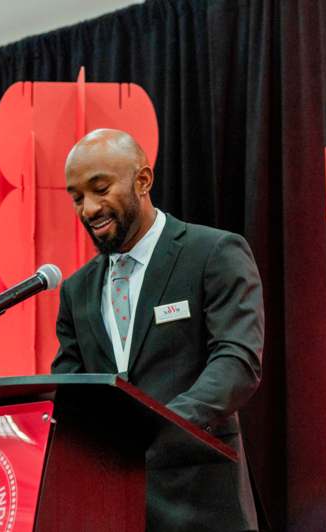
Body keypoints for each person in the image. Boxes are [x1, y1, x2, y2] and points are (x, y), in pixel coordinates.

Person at [51, 128, 264, 531]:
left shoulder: (213, 253)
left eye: (100, 189)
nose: (88, 208)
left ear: (143, 181)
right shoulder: (76, 291)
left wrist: (157, 427)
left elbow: (237, 363)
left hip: (201, 504)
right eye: (77, 197)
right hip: (110, 509)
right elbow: (70, 389)